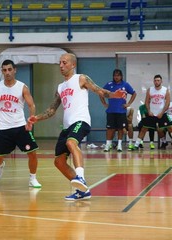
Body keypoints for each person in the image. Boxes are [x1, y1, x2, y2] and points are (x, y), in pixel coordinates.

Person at [28, 53, 125, 201]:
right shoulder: (60, 87)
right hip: (67, 126)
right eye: (60, 63)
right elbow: (52, 109)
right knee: (59, 162)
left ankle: (81, 177)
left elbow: (99, 90)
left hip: (81, 120)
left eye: (64, 62)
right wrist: (37, 118)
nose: (61, 65)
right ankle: (82, 191)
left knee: (71, 142)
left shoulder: (81, 78)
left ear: (73, 65)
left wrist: (114, 95)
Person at [0, 59, 41, 188]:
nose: (7, 72)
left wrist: (31, 120)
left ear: (14, 70)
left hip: (20, 126)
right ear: (2, 72)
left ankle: (33, 179)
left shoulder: (22, 87)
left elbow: (31, 105)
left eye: (10, 69)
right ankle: (0, 165)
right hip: (3, 127)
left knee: (32, 153)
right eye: (4, 70)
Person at [100, 69, 136, 152]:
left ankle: (119, 145)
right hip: (111, 111)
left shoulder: (125, 85)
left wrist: (129, 104)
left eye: (118, 75)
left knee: (121, 128)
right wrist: (104, 103)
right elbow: (101, 93)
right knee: (110, 128)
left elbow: (134, 93)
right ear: (113, 76)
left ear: (121, 76)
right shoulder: (109, 84)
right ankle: (108, 144)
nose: (116, 77)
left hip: (121, 111)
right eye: (115, 75)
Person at [134, 74, 172, 150]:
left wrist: (161, 113)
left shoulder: (165, 90)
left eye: (158, 80)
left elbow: (167, 103)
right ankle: (136, 145)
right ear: (153, 81)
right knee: (144, 128)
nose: (156, 82)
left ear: (161, 81)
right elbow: (147, 102)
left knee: (167, 128)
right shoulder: (150, 90)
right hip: (151, 113)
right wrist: (149, 111)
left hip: (162, 113)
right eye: (155, 80)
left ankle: (164, 142)